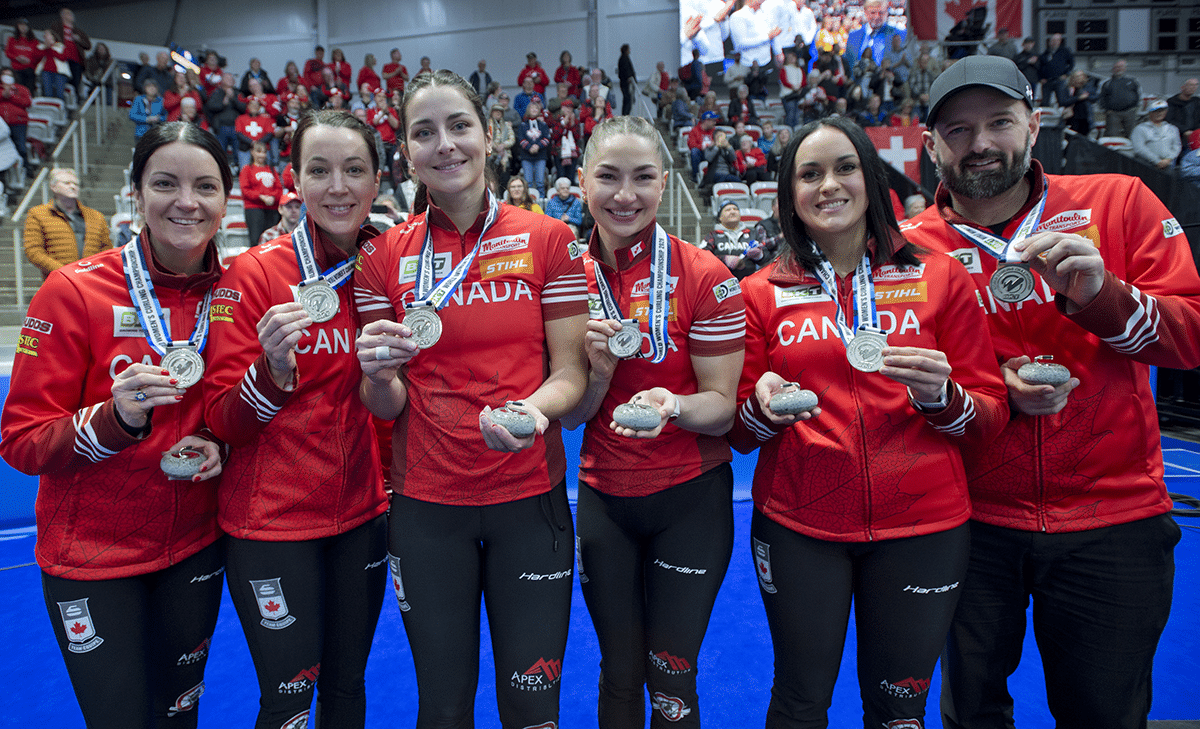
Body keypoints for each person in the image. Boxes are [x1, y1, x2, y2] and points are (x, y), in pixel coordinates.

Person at [902, 54, 1200, 729]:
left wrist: (1103, 297)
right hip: (968, 523)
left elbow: (1191, 339)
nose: (980, 143)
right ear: (931, 145)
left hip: (1114, 517)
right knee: (972, 714)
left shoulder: (1118, 203)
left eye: (999, 122)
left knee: (1103, 713)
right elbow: (898, 388)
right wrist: (986, 395)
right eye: (957, 130)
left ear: (1033, 126)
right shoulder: (908, 250)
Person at [731, 114, 1008, 729]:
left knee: (901, 710)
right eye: (809, 174)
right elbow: (738, 431)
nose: (829, 186)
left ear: (870, 178)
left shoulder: (939, 276)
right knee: (799, 702)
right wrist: (761, 408)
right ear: (789, 195)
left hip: (924, 528)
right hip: (800, 525)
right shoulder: (759, 292)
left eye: (844, 167)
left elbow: (989, 415)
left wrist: (944, 398)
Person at [352, 68, 588, 729]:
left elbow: (569, 374)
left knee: (532, 704)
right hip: (428, 509)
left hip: (529, 498)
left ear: (489, 134)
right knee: (444, 706)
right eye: (424, 132)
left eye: (458, 126)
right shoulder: (383, 259)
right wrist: (375, 373)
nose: (445, 144)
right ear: (405, 151)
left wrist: (534, 411)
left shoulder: (549, 239)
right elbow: (387, 405)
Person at [0, 121, 229, 727]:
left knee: (180, 718)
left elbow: (231, 410)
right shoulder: (72, 291)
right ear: (135, 194)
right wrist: (113, 418)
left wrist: (217, 444)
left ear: (226, 202)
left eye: (205, 185)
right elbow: (21, 441)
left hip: (194, 548)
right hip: (93, 560)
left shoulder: (235, 293)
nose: (187, 200)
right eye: (165, 183)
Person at [204, 110, 389, 729]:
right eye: (320, 170)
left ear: (377, 181)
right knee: (287, 701)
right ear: (296, 181)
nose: (338, 186)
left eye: (354, 170)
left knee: (346, 690)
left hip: (362, 514)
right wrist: (271, 370)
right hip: (272, 525)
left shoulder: (390, 267)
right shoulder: (254, 274)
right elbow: (223, 420)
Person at [560, 114, 745, 728]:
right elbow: (572, 417)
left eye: (642, 178)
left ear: (664, 184)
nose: (624, 195)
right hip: (605, 496)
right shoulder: (563, 280)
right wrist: (605, 376)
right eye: (608, 177)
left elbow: (722, 411)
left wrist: (674, 407)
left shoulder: (706, 276)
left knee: (671, 673)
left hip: (689, 497)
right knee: (618, 671)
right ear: (582, 180)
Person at [24, 167, 111, 278]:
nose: (73, 186)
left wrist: (94, 271)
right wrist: (63, 271)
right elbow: (34, 251)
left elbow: (106, 250)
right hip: (58, 280)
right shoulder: (37, 214)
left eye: (76, 184)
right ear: (53, 187)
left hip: (91, 280)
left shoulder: (96, 217)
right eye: (67, 183)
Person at [700, 199, 760, 279]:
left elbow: (767, 257)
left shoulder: (752, 233)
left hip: (750, 281)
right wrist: (724, 259)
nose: (732, 212)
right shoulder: (713, 235)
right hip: (722, 282)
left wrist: (760, 255)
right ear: (720, 218)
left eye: (735, 209)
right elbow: (702, 257)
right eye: (728, 210)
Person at [237, 140, 281, 247]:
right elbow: (245, 190)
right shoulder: (247, 169)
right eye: (259, 152)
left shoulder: (272, 169)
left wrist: (273, 197)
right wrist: (261, 197)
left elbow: (279, 188)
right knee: (256, 240)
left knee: (272, 241)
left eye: (264, 152)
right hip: (254, 209)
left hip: (272, 209)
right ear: (252, 152)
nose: (262, 155)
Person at [845, 0, 906, 67]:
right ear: (865, 12)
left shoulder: (899, 35)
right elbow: (848, 64)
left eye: (881, 13)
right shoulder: (853, 36)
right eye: (873, 12)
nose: (877, 16)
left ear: (887, 12)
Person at [1131, 98, 1181, 169]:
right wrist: (1157, 161)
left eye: (1162, 111)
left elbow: (1177, 146)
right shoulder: (1140, 128)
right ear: (1149, 113)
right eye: (1156, 111)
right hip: (1146, 165)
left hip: (1168, 164)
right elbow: (1139, 148)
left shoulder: (1173, 128)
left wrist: (1168, 159)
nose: (1159, 113)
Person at [1, 68, 32, 176]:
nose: (7, 77)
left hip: (19, 122)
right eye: (4, 75)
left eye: (9, 75)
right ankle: (7, 175)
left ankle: (27, 169)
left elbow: (27, 102)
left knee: (21, 147)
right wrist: (3, 93)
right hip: (2, 124)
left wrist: (11, 96)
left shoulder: (22, 89)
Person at [517, 101, 552, 198]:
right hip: (526, 157)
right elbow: (521, 139)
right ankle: (528, 201)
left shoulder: (543, 125)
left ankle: (540, 202)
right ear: (528, 110)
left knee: (540, 181)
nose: (534, 110)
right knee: (528, 182)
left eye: (536, 108)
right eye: (532, 108)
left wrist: (538, 146)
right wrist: (529, 147)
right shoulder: (522, 125)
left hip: (540, 156)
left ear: (539, 111)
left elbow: (547, 138)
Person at [1098, 59, 1141, 140]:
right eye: (1116, 67)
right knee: (1113, 136)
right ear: (1113, 69)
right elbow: (1101, 97)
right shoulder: (1106, 83)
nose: (1118, 69)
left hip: (1130, 113)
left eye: (1121, 67)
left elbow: (1138, 94)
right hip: (1113, 114)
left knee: (1132, 135)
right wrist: (1105, 110)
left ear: (1125, 68)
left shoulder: (1132, 81)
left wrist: (1136, 108)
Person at [4, 19, 40, 97]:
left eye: (24, 25)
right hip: (16, 70)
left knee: (29, 91)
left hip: (30, 70)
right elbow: (7, 53)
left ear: (28, 27)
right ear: (17, 27)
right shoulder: (12, 39)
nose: (23, 27)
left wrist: (29, 60)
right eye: (20, 25)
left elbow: (38, 56)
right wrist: (17, 58)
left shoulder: (35, 41)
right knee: (18, 91)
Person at [1166, 78, 1200, 161]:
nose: (1193, 87)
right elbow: (1168, 119)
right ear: (1182, 87)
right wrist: (1184, 131)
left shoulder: (1197, 102)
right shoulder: (1172, 102)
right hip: (1177, 135)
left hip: (1196, 136)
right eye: (1191, 85)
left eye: (1196, 85)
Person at [1056, 69, 1096, 137]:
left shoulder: (1087, 88)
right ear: (1072, 78)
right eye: (1077, 77)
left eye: (1081, 77)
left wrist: (1085, 94)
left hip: (1085, 119)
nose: (1079, 79)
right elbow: (1063, 101)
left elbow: (1095, 98)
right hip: (1071, 118)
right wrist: (1078, 98)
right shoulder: (1066, 87)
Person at [1037, 33, 1073, 107]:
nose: (1054, 42)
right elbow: (1039, 67)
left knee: (1062, 101)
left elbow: (1071, 64)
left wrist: (1066, 74)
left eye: (1056, 40)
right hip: (1047, 81)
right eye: (1052, 40)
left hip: (1059, 80)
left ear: (1059, 41)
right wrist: (1041, 78)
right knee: (1045, 102)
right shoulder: (1046, 53)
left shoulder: (1065, 51)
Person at [618, 43, 637, 116]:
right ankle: (626, 115)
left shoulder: (624, 58)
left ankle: (626, 114)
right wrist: (629, 78)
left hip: (625, 83)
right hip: (626, 83)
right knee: (627, 99)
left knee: (627, 99)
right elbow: (626, 70)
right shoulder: (624, 59)